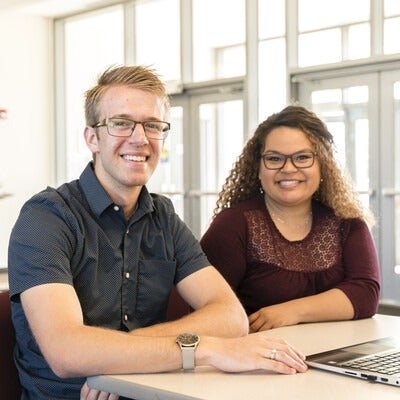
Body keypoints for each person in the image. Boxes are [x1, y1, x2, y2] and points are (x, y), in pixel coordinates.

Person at [7, 66, 307, 400]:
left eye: (153, 125)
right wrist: (200, 348)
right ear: (92, 137)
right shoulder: (46, 218)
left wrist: (113, 359)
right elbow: (66, 352)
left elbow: (230, 317)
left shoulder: (162, 216)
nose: (140, 138)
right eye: (121, 123)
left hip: (151, 390)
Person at [200, 105, 381, 333]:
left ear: (322, 165)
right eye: (274, 159)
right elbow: (202, 306)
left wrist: (290, 311)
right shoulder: (233, 225)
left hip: (337, 357)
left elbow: (365, 293)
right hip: (259, 359)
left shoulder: (347, 222)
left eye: (302, 157)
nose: (288, 168)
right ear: (258, 167)